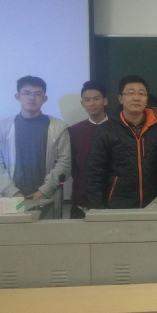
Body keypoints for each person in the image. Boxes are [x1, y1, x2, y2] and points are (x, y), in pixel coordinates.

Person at [86, 74, 157, 209]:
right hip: (117, 205)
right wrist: (98, 209)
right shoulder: (106, 130)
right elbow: (95, 173)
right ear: (120, 98)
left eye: (142, 94)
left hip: (155, 203)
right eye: (130, 93)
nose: (136, 98)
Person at [0, 75, 71, 204]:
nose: (32, 98)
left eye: (37, 94)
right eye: (26, 93)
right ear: (18, 97)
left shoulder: (58, 127)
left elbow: (64, 163)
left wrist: (44, 191)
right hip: (10, 200)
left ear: (44, 98)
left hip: (46, 199)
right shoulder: (2, 127)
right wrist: (13, 193)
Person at [68, 80, 109, 218]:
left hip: (112, 201)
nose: (92, 103)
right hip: (81, 201)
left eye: (96, 99)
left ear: (105, 101)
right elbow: (72, 166)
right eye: (87, 100)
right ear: (82, 103)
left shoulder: (118, 128)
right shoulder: (74, 131)